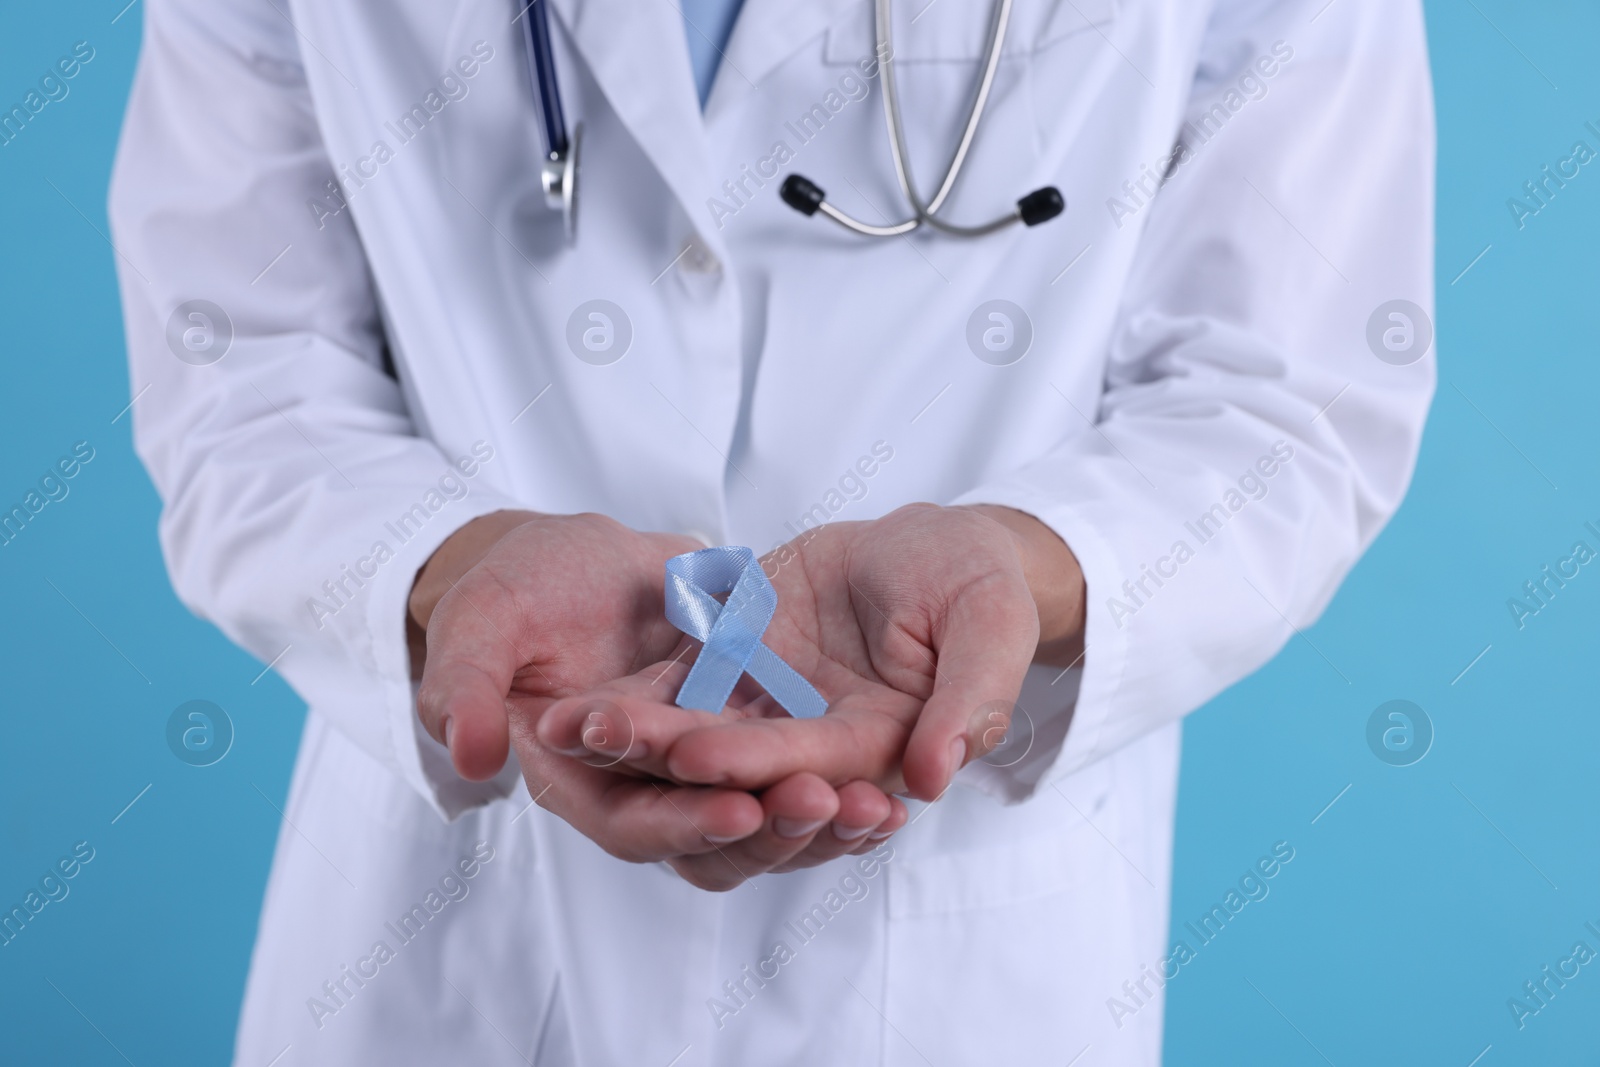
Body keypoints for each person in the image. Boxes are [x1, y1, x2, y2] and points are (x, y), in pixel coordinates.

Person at [109, 0, 1434, 1063]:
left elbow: (1290, 399)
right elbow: (239, 361)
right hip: (442, 959)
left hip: (954, 964)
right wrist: (453, 567)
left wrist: (1018, 568)